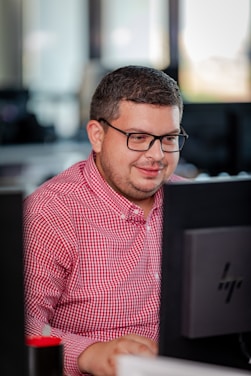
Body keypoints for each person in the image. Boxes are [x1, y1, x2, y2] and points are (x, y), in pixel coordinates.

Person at [23, 65, 189, 376]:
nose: (156, 155)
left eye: (168, 138)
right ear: (97, 136)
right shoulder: (50, 213)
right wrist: (89, 353)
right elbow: (15, 325)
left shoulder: (195, 202)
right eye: (138, 137)